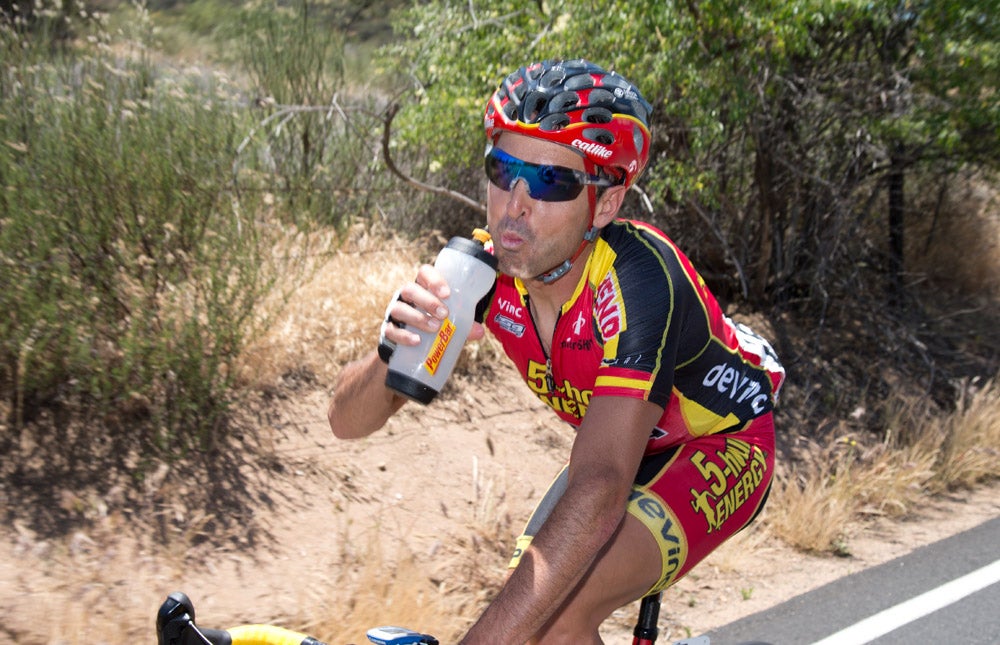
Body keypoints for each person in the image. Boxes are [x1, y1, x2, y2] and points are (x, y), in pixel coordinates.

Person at [328, 59, 785, 644]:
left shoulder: (640, 279)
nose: (514, 203)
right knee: (533, 613)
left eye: (550, 181)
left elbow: (598, 485)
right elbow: (345, 421)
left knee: (554, 621)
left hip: (721, 443)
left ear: (606, 204)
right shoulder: (481, 272)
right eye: (503, 170)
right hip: (620, 441)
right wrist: (391, 350)